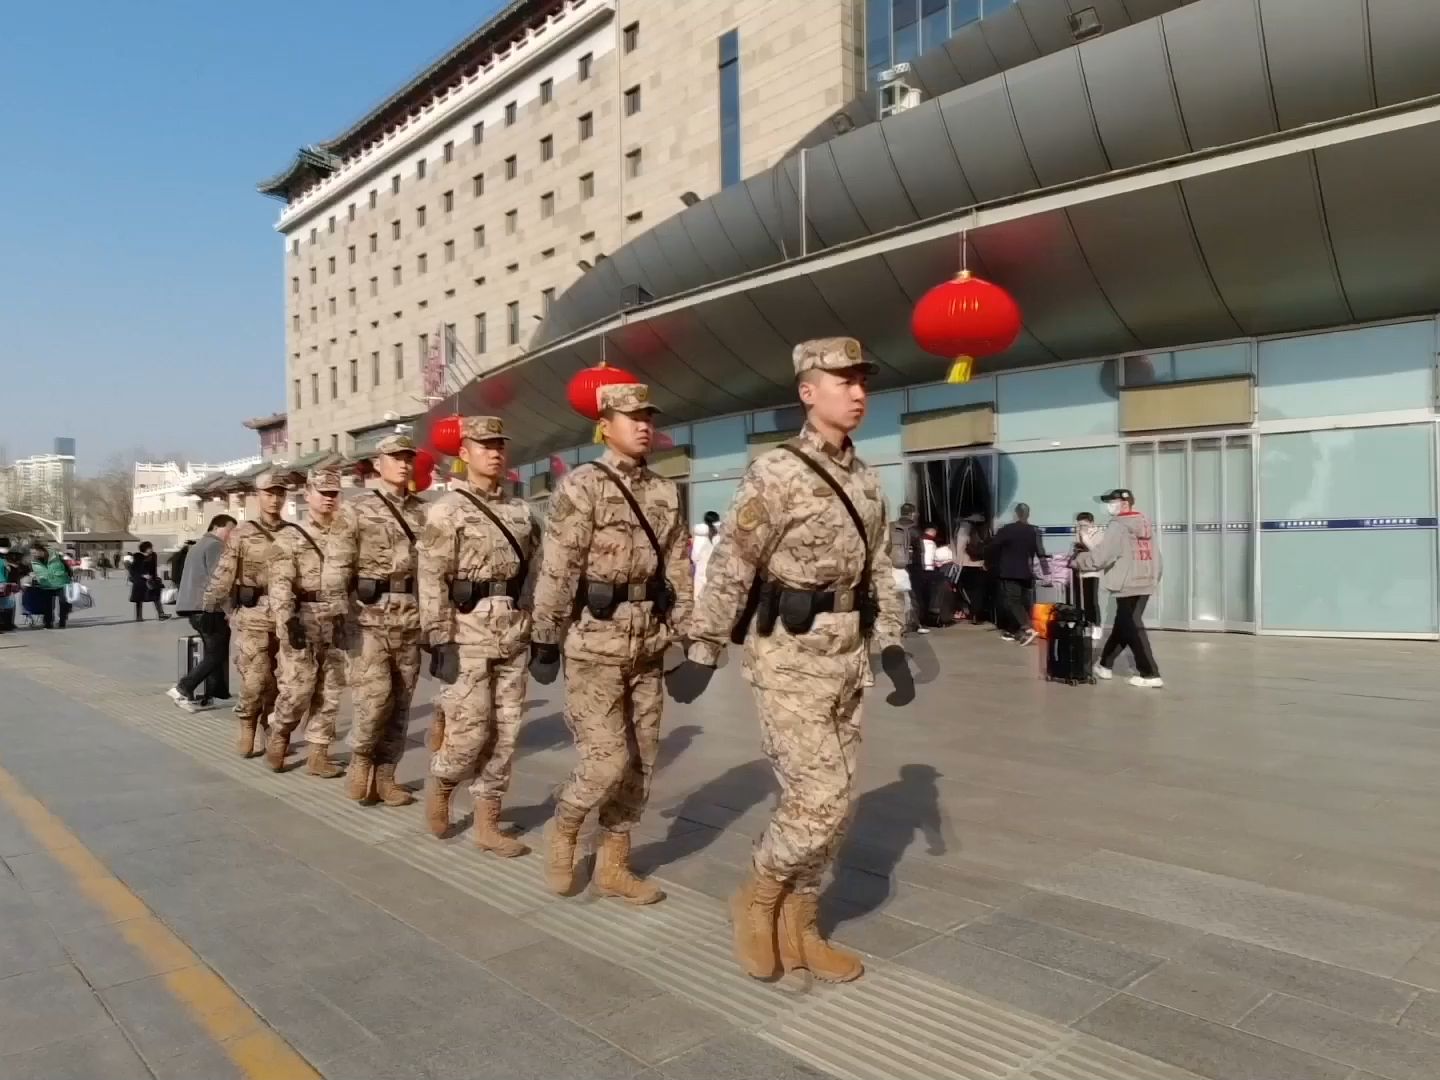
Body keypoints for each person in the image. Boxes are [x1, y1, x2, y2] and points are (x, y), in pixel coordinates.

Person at [668, 336, 912, 985]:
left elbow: (879, 567)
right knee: (819, 797)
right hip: (789, 657)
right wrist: (703, 646)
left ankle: (801, 924)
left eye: (862, 380)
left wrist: (892, 640)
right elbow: (734, 563)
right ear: (808, 391)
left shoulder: (867, 477)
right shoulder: (775, 471)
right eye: (842, 380)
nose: (858, 392)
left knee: (840, 804)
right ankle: (757, 895)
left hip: (848, 656)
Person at [529, 382, 693, 906]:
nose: (643, 424)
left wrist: (688, 636)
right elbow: (559, 567)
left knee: (641, 763)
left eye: (648, 416)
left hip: (648, 643)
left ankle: (614, 865)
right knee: (605, 759)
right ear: (605, 425)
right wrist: (545, 637)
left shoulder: (666, 492)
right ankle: (566, 829)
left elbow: (680, 569)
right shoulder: (581, 486)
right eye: (631, 416)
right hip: (594, 644)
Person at [418, 416, 539, 853]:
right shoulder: (446, 510)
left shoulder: (522, 511)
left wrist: (541, 630)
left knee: (506, 733)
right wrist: (437, 638)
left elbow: (536, 570)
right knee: (471, 733)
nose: (494, 452)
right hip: (464, 631)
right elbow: (431, 576)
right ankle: (443, 780)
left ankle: (488, 822)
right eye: (484, 445)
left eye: (499, 445)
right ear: (464, 453)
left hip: (513, 631)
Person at [325, 434, 426, 807]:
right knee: (375, 698)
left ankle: (387, 775)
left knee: (402, 701)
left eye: (407, 458)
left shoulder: (423, 512)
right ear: (378, 463)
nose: (403, 464)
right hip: (368, 617)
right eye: (395, 457)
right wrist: (336, 612)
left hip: (411, 616)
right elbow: (337, 563)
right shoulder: (356, 509)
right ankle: (361, 760)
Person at [264, 469, 347, 777]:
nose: (328, 498)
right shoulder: (290, 536)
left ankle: (318, 755)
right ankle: (280, 733)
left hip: (337, 619)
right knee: (297, 691)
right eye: (322, 492)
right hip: (303, 618)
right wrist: (286, 621)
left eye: (333, 493)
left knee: (331, 692)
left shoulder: (345, 534)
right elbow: (280, 582)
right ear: (308, 495)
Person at [202, 472, 289, 755]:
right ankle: (247, 721)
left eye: (279, 494)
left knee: (279, 681)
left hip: (285, 618)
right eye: (268, 493)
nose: (274, 499)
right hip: (253, 616)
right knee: (255, 678)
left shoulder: (292, 534)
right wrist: (210, 605)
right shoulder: (243, 533)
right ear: (258, 496)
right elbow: (225, 572)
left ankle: (268, 725)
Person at [1075, 488, 1163, 688]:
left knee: (1131, 626)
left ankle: (1150, 673)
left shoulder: (1118, 526)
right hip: (1145, 580)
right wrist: (1155, 575)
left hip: (1127, 582)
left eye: (1111, 502)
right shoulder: (1144, 522)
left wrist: (1080, 560)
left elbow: (1102, 557)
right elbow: (1157, 553)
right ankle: (1105, 665)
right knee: (1123, 624)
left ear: (1124, 503)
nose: (1108, 506)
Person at [170, 514, 237, 712]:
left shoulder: (198, 545)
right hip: (208, 608)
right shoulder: (215, 546)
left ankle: (215, 694)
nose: (232, 536)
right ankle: (184, 687)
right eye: (230, 530)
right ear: (217, 527)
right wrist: (230, 610)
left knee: (213, 651)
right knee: (216, 654)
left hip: (193, 607)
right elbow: (219, 581)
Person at [987, 503, 1048, 645]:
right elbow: (1041, 552)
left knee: (1012, 602)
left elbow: (994, 546)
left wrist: (988, 563)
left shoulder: (1007, 530)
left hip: (1009, 572)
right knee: (1023, 603)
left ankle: (1027, 628)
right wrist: (1046, 572)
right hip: (1027, 572)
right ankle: (1015, 631)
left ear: (1015, 514)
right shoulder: (1034, 531)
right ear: (1028, 514)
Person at [888, 503, 922, 634]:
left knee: (895, 595)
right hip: (911, 566)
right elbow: (920, 551)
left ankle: (895, 622)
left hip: (894, 565)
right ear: (912, 513)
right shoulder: (915, 530)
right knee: (913, 595)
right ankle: (912, 622)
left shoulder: (891, 527)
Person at [1073, 511, 1105, 641]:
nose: (1082, 528)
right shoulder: (1079, 533)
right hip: (1082, 570)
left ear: (1091, 523)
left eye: (1084, 525)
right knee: (1084, 602)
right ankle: (1088, 625)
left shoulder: (1099, 534)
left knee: (1092, 600)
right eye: (1080, 525)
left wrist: (1085, 539)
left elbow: (1097, 552)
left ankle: (1097, 626)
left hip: (1093, 571)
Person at [29, 543, 72, 629]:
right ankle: (48, 623)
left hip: (61, 582)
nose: (33, 555)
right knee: (47, 605)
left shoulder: (56, 556)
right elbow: (31, 572)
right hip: (46, 585)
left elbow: (67, 567)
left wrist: (69, 576)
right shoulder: (33, 562)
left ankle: (62, 621)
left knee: (64, 603)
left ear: (41, 550)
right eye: (32, 553)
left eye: (35, 552)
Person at [128, 542, 170, 621]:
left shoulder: (152, 556)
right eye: (149, 548)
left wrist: (155, 578)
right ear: (145, 549)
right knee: (139, 600)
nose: (151, 549)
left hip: (151, 581)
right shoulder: (137, 557)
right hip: (140, 582)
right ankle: (138, 617)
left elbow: (153, 569)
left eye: (151, 547)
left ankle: (161, 614)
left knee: (156, 597)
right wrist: (142, 575)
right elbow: (132, 570)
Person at [691, 510, 721, 600]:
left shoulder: (699, 536)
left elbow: (694, 557)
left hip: (700, 574)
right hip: (716, 576)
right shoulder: (720, 536)